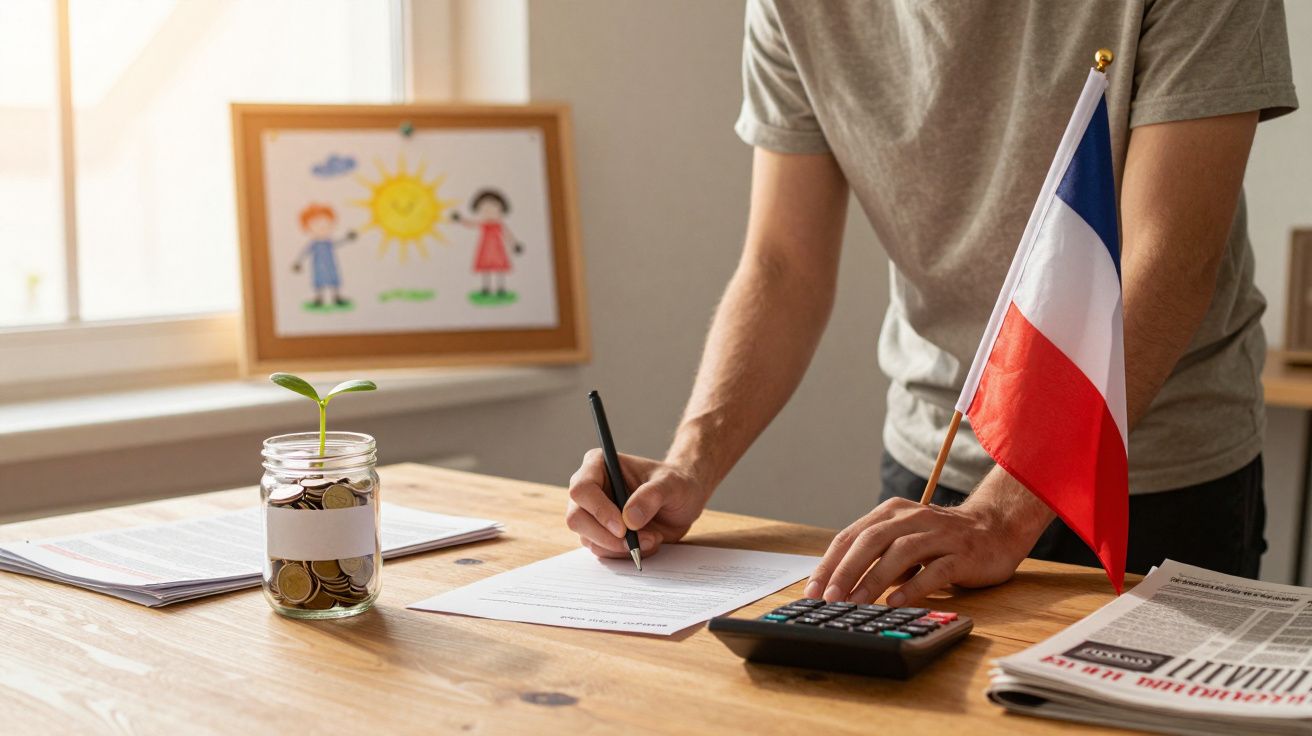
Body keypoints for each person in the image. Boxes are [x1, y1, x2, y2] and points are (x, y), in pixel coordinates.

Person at [566, 1, 1299, 606]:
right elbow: (783, 265)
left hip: (1153, 472)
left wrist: (1001, 514)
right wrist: (691, 463)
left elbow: (1168, 259)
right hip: (935, 458)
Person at [453, 189, 523, 298]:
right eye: (484, 209)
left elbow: (508, 235)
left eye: (494, 208)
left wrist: (514, 244)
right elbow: (471, 224)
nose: (489, 212)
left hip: (497, 249)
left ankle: (500, 288)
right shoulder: (483, 223)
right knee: (486, 268)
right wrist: (460, 220)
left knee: (499, 267)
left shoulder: (499, 224)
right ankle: (486, 288)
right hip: (486, 248)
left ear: (501, 209)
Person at [292, 203, 356, 308]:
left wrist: (347, 238)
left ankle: (336, 297)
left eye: (327, 225)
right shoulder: (313, 244)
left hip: (330, 265)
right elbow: (304, 252)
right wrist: (298, 262)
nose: (323, 228)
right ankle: (319, 299)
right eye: (317, 225)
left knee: (334, 279)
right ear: (307, 228)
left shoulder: (329, 242)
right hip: (319, 267)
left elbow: (338, 243)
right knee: (319, 282)